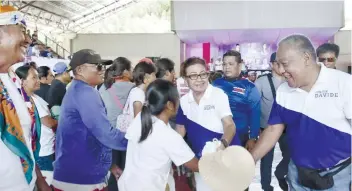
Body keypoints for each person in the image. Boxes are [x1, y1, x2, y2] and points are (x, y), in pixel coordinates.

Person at [251, 34, 351, 190]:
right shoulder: (284, 91)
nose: (281, 70)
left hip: (337, 176)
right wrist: (250, 159)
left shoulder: (343, 84)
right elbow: (272, 129)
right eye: (278, 64)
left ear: (306, 58)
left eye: (285, 64)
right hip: (298, 175)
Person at [52, 49, 123, 191]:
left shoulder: (80, 89)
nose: (103, 70)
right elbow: (105, 134)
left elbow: (90, 134)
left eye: (103, 66)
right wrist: (138, 139)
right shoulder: (85, 93)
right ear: (80, 69)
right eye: (98, 66)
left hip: (78, 173)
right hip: (81, 179)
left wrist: (109, 164)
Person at [0, 5, 51, 191]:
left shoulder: (12, 80)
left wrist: (39, 180)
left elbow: (25, 138)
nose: (29, 39)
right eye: (22, 30)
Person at [118, 79, 199, 191]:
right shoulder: (168, 136)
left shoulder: (140, 119)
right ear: (170, 105)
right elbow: (195, 165)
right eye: (178, 99)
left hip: (128, 185)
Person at [175, 57, 237, 191]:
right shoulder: (184, 101)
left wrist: (222, 145)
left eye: (203, 74)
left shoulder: (218, 95)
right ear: (185, 80)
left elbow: (229, 125)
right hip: (200, 162)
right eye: (193, 75)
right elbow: (180, 129)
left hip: (223, 159)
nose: (199, 79)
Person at [15, 65, 58, 185]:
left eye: (38, 77)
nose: (38, 80)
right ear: (22, 81)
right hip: (42, 152)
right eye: (34, 77)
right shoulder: (27, 101)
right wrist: (61, 121)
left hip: (45, 148)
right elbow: (48, 123)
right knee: (46, 183)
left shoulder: (34, 98)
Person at [213, 50, 261, 151]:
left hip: (240, 136)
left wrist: (253, 137)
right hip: (217, 135)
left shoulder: (249, 87)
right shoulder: (215, 84)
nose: (227, 67)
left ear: (239, 65)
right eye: (224, 64)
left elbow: (255, 114)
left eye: (231, 64)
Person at [255, 52, 289, 191]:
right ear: (271, 64)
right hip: (266, 127)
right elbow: (255, 105)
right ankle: (266, 186)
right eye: (276, 63)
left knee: (291, 155)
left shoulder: (290, 80)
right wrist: (256, 127)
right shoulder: (261, 81)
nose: (280, 66)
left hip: (287, 127)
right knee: (266, 159)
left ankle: (281, 173)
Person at [99, 57, 134, 191]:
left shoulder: (104, 90)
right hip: (129, 137)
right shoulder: (135, 89)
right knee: (129, 171)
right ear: (125, 71)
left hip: (111, 137)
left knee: (115, 172)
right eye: (130, 69)